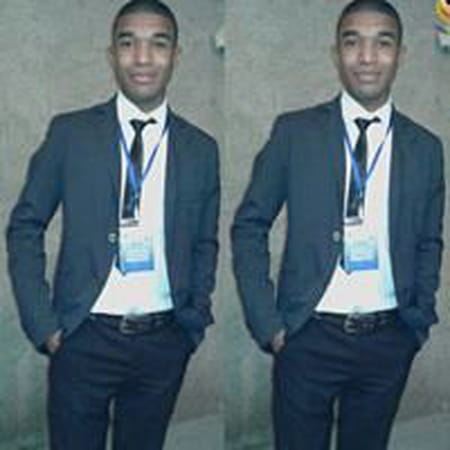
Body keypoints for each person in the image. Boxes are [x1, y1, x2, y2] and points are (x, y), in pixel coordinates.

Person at [231, 1, 444, 449]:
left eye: (382, 43)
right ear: (336, 53)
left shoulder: (426, 148)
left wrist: (417, 322)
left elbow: (429, 240)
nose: (367, 57)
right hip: (307, 337)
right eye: (353, 42)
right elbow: (249, 225)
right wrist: (268, 323)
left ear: (400, 55)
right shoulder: (295, 133)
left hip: (389, 339)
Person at [6, 1, 220, 449]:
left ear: (176, 55)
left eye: (158, 44)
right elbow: (25, 226)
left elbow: (205, 242)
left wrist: (192, 323)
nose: (142, 58)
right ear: (111, 54)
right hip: (83, 337)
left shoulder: (201, 149)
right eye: (128, 43)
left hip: (165, 342)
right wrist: (45, 326)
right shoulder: (71, 134)